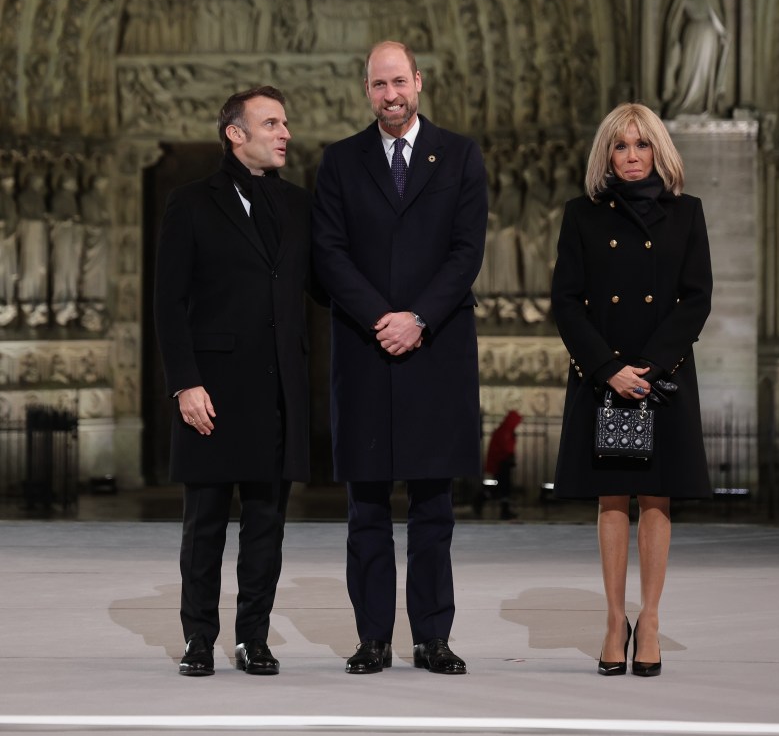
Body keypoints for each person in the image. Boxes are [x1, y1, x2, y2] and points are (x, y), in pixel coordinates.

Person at [312, 41, 487, 675]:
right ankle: (373, 639)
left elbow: (467, 252)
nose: (391, 94)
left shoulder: (461, 155)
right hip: (365, 351)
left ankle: (433, 638)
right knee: (366, 510)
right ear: (367, 90)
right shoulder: (338, 162)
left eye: (399, 82)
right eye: (378, 85)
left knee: (434, 508)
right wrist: (381, 319)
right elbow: (328, 253)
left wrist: (418, 318)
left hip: (435, 351)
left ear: (419, 80)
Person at [154, 86, 314, 677]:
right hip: (212, 392)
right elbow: (168, 303)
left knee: (267, 524)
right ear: (235, 133)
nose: (285, 133)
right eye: (271, 122)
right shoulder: (190, 202)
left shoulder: (298, 205)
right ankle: (198, 637)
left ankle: (254, 638)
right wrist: (184, 383)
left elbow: (324, 283)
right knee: (205, 524)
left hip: (277, 390)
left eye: (285, 121)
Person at [551, 102, 712, 677]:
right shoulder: (582, 215)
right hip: (603, 376)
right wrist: (607, 367)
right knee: (613, 497)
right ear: (606, 155)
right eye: (620, 146)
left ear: (659, 151)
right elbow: (566, 301)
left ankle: (651, 619)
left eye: (642, 145)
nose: (631, 156)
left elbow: (697, 298)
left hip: (661, 377)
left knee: (658, 497)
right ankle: (614, 620)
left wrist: (649, 366)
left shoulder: (687, 214)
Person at [473, 410, 522, 520]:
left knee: (502, 488)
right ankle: (482, 500)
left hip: (503, 464)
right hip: (501, 464)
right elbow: (506, 448)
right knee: (502, 488)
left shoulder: (506, 431)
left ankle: (500, 508)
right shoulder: (504, 431)